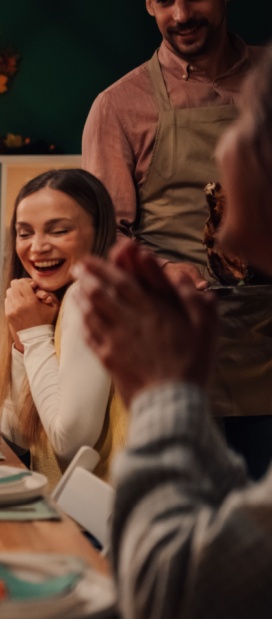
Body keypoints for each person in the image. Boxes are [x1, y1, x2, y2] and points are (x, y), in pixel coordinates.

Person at [77, 49, 272, 619]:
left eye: (238, 135)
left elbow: (175, 612)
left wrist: (162, 397)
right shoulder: (120, 101)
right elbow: (236, 569)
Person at [81, 0, 272, 476]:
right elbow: (106, 236)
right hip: (184, 351)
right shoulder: (120, 105)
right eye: (164, 0)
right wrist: (165, 270)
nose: (181, 13)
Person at [0, 169, 122, 488]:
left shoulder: (91, 294)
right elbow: (18, 433)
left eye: (58, 231)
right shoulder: (57, 300)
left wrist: (34, 336)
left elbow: (72, 447)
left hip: (109, 530)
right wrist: (23, 341)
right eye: (24, 233)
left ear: (98, 232)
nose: (36, 248)